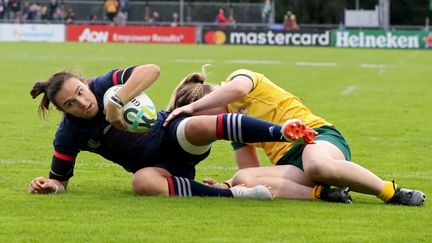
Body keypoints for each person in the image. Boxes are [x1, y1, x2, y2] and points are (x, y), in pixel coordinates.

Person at [27, 64, 328, 201]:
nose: (82, 102)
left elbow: (151, 70)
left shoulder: (103, 85)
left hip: (169, 133)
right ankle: (236, 195)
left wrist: (117, 101)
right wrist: (50, 187)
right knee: (141, 182)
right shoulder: (68, 135)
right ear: (63, 110)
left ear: (84, 82)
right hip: (161, 168)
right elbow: (60, 180)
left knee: (196, 124)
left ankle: (283, 132)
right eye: (71, 103)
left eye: (80, 92)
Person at [165, 66, 426, 206]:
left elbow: (239, 87)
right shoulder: (234, 129)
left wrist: (192, 109)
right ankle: (326, 194)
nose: (209, 125)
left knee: (317, 163)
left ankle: (391, 192)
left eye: (202, 115)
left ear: (205, 101)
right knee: (242, 178)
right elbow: (253, 177)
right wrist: (227, 185)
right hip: (292, 167)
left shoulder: (239, 79)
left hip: (319, 140)